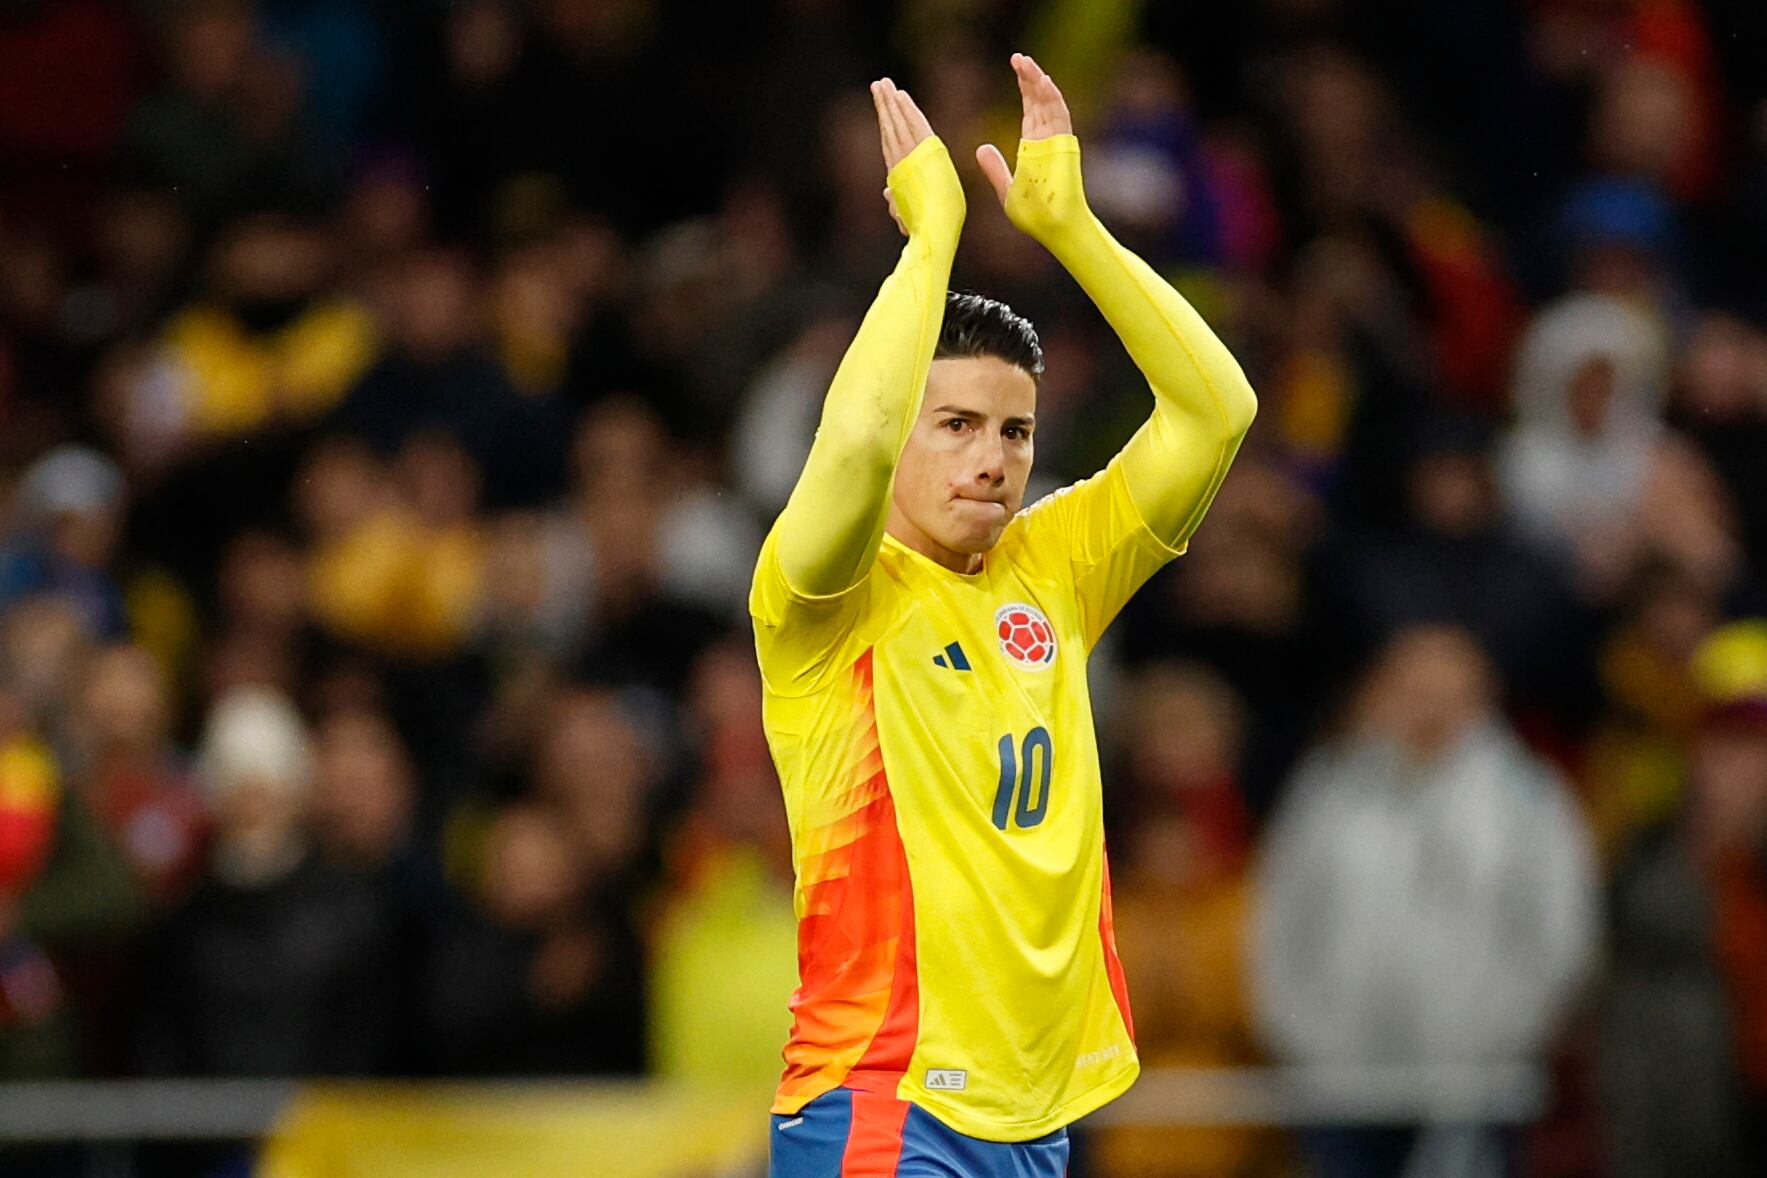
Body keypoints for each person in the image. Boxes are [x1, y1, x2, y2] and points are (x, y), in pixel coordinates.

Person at [751, 55, 1257, 1177]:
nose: (993, 460)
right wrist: (928, 244)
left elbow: (1218, 411)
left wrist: (1070, 226)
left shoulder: (1053, 569)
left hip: (1034, 1122)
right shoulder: (825, 598)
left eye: (1015, 432)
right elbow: (855, 443)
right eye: (958, 425)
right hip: (885, 1099)